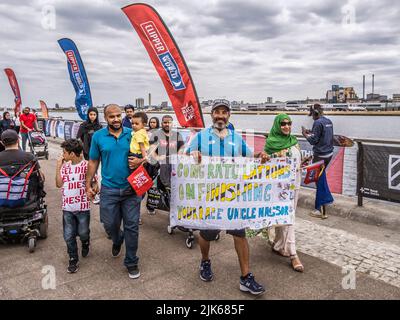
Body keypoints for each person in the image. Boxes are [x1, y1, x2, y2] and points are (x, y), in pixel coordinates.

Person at [185, 100, 265, 295]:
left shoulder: (236, 138)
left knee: (239, 233)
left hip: (232, 194)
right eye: (217, 112)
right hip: (209, 195)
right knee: (207, 234)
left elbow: (249, 155)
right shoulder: (200, 136)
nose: (220, 116)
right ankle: (205, 261)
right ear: (211, 115)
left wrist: (260, 156)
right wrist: (192, 154)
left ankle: (246, 277)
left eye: (224, 112)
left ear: (229, 116)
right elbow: (184, 157)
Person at [86, 104, 143, 279]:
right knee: (109, 225)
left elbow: (147, 154)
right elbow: (93, 161)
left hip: (131, 189)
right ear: (106, 118)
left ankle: (131, 261)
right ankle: (117, 239)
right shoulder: (98, 136)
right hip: (109, 189)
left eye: (119, 116)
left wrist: (140, 162)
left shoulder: (132, 133)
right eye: (112, 117)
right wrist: (89, 183)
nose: (116, 119)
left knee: (132, 226)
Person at [260, 114, 304, 272]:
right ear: (277, 125)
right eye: (283, 124)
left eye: (289, 123)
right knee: (288, 216)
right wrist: (266, 157)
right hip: (279, 187)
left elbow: (297, 161)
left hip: (296, 184)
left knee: (287, 216)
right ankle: (293, 254)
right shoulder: (271, 143)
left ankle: (279, 245)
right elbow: (265, 162)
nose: (286, 126)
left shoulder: (294, 141)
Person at [55, 139, 97, 273]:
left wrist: (94, 191)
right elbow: (58, 184)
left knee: (83, 232)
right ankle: (73, 258)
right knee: (68, 235)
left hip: (83, 207)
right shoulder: (65, 166)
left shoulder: (86, 166)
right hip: (67, 207)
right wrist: (58, 166)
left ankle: (85, 242)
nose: (62, 155)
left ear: (72, 154)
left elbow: (95, 183)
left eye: (64, 152)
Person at [302, 103, 334, 218]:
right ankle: (321, 207)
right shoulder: (328, 121)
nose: (312, 118)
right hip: (329, 154)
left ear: (315, 113)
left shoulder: (317, 122)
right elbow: (323, 135)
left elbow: (313, 141)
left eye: (312, 115)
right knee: (321, 179)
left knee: (319, 181)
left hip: (319, 155)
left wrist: (305, 135)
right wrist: (311, 131)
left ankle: (320, 209)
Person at [147, 115, 184, 214]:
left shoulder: (177, 135)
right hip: (158, 165)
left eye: (169, 122)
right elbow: (151, 149)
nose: (167, 124)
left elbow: (182, 147)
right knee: (154, 188)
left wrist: (179, 154)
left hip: (172, 166)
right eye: (165, 122)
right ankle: (152, 206)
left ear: (172, 123)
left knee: (171, 188)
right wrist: (157, 158)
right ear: (162, 123)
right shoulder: (156, 134)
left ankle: (172, 209)